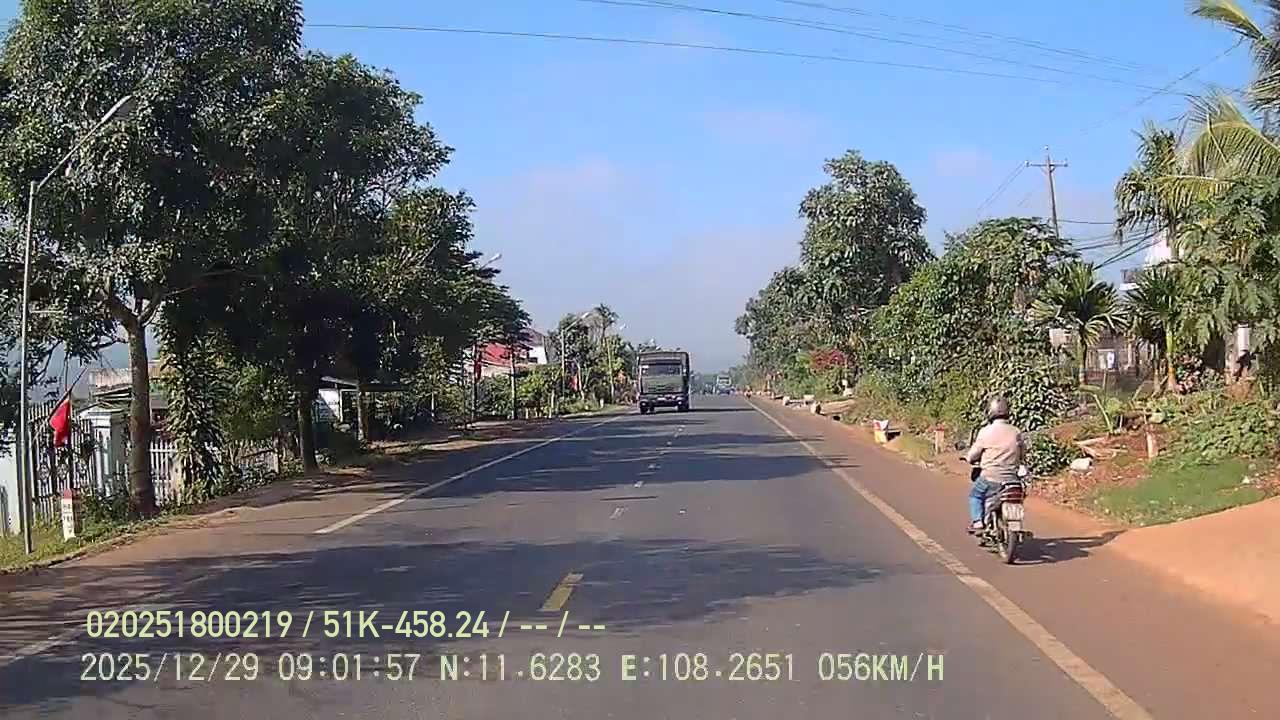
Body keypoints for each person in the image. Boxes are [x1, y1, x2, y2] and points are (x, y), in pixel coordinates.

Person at [964, 396, 1024, 532]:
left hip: (990, 478)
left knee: (975, 496)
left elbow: (974, 454)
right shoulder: (1016, 431)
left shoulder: (985, 431)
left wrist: (969, 458)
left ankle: (978, 522)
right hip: (1012, 479)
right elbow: (1022, 453)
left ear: (990, 412)